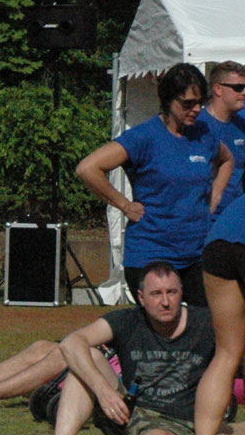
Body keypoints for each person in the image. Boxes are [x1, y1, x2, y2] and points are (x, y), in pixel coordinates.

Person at [12, 261, 216, 435]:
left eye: (172, 292)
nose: (165, 302)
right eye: (156, 294)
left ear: (182, 292)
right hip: (128, 413)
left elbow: (238, 344)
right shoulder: (128, 320)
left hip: (177, 426)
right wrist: (102, 390)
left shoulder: (205, 322)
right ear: (141, 298)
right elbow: (71, 343)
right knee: (87, 357)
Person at [74, 62, 231, 304]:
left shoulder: (204, 134)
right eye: (188, 103)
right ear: (168, 100)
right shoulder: (144, 137)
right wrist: (125, 205)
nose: (196, 110)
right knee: (161, 323)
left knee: (206, 321)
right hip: (151, 253)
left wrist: (216, 196)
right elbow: (88, 168)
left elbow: (227, 159)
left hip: (196, 254)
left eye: (200, 103)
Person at [201, 62, 245, 203]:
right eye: (238, 87)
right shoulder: (199, 124)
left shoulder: (241, 124)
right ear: (218, 89)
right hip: (207, 209)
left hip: (235, 209)